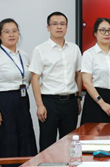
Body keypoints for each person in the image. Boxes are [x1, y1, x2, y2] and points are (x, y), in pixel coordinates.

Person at [0, 19, 37, 167]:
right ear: (0, 36)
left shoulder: (24, 55)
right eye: (7, 31)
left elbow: (27, 79)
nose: (11, 35)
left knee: (21, 138)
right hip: (3, 102)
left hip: (21, 102)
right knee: (2, 141)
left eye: (14, 31)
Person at [29, 11, 82, 151]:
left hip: (70, 102)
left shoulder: (74, 49)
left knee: (69, 144)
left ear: (67, 27)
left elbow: (78, 75)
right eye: (55, 24)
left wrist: (78, 99)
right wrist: (39, 105)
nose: (59, 27)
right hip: (49, 103)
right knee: (47, 144)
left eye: (62, 24)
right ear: (48, 27)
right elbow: (35, 78)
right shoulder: (40, 50)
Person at [81, 18, 110, 124]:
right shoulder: (89, 54)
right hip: (95, 100)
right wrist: (102, 103)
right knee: (93, 133)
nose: (107, 33)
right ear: (95, 33)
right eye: (102, 30)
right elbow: (87, 82)